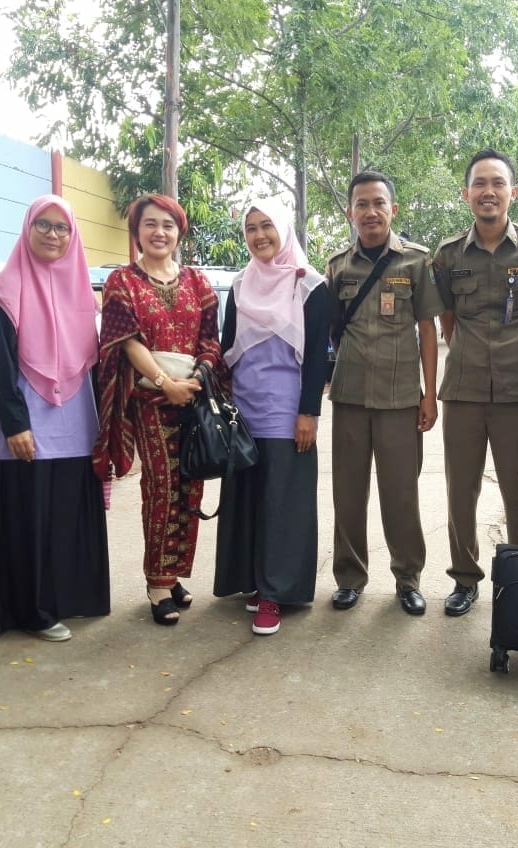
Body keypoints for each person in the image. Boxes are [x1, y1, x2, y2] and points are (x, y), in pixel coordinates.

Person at [432, 148, 518, 616]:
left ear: (512, 192)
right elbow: (447, 318)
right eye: (479, 184)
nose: (488, 191)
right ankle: (465, 579)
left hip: (517, 390)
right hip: (463, 390)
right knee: (460, 493)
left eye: (497, 183)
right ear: (466, 194)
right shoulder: (447, 255)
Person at [0, 194, 110, 642]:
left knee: (67, 515)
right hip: (30, 421)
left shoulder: (82, 293)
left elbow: (94, 365)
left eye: (63, 228)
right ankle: (31, 610)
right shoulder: (5, 288)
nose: (54, 235)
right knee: (31, 516)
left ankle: (71, 598)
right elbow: (0, 364)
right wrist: (16, 424)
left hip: (77, 419)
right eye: (44, 225)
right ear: (28, 228)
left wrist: (108, 429)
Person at [93, 194, 221, 626]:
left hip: (193, 401)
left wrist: (197, 380)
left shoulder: (198, 282)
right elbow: (125, 341)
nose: (159, 232)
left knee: (191, 489)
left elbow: (210, 341)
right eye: (150, 224)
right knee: (162, 488)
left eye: (167, 224)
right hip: (149, 399)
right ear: (136, 231)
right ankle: (157, 582)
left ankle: (176, 572)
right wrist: (167, 384)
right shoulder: (122, 282)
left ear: (179, 231)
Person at [325, 171, 444, 616]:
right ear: (350, 211)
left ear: (393, 209)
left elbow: (428, 329)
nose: (370, 212)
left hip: (400, 399)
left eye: (378, 203)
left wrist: (429, 393)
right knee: (348, 494)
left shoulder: (415, 262)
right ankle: (350, 578)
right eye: (361, 204)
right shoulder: (338, 265)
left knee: (401, 495)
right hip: (351, 396)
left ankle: (408, 578)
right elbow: (333, 329)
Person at [213, 201, 331, 635]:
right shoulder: (240, 285)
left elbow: (318, 355)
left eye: (267, 226)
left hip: (287, 413)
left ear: (283, 229)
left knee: (283, 503)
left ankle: (274, 594)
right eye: (251, 228)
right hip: (244, 412)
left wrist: (309, 413)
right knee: (247, 499)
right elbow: (227, 348)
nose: (259, 235)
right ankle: (251, 580)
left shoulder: (311, 286)